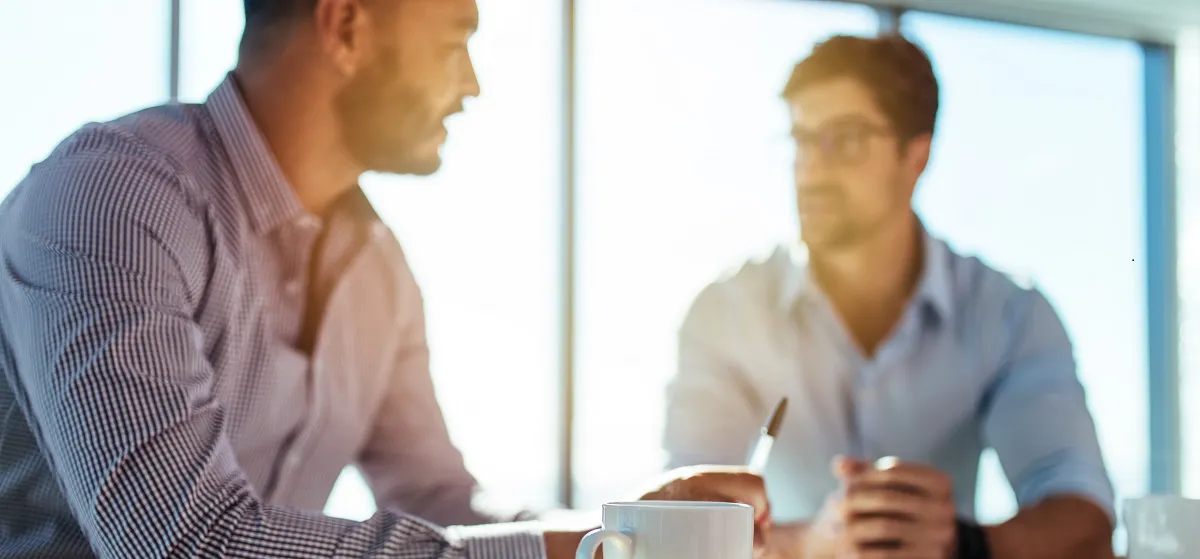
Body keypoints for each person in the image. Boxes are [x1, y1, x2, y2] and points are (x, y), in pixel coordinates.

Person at [0, 1, 772, 558]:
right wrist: (597, 549)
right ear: (346, 25)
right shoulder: (112, 197)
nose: (470, 83)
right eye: (454, 40)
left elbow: (440, 504)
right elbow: (186, 544)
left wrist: (637, 523)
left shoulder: (379, 271)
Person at [663, 34, 1116, 558]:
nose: (812, 168)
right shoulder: (726, 314)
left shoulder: (1009, 314)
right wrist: (812, 545)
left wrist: (964, 544)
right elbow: (676, 524)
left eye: (847, 138)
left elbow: (1085, 517)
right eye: (803, 140)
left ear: (916, 155)